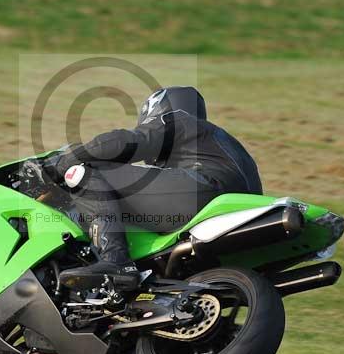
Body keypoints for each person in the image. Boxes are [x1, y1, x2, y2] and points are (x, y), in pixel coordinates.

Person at [43, 86, 262, 291]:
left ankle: (115, 260)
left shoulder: (178, 120)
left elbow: (123, 142)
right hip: (232, 213)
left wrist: (65, 161)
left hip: (205, 191)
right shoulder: (216, 142)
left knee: (82, 170)